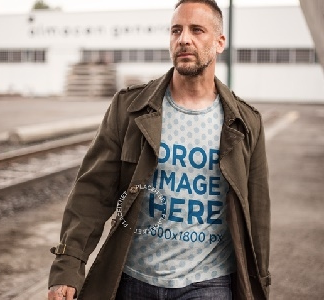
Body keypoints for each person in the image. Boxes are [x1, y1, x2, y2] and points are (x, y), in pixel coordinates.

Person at [48, 0, 271, 299]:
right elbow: (92, 192)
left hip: (209, 281)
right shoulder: (130, 108)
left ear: (220, 42)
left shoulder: (245, 123)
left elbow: (257, 216)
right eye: (176, 30)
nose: (184, 39)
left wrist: (259, 283)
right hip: (134, 278)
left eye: (197, 30)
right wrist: (68, 266)